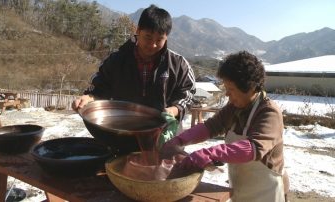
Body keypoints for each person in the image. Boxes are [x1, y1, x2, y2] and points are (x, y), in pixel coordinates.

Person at [161, 51, 288, 202]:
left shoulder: (269, 112)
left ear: (251, 87)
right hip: (240, 188)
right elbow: (211, 127)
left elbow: (253, 149)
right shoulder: (234, 107)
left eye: (231, 89)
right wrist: (179, 140)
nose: (227, 94)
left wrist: (209, 153)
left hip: (267, 192)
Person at [72, 4, 196, 145]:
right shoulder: (117, 60)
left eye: (159, 40)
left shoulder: (178, 64)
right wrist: (88, 98)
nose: (153, 44)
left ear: (166, 38)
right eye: (148, 37)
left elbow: (188, 93)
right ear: (138, 31)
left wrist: (174, 110)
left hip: (163, 137)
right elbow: (100, 88)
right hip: (121, 134)